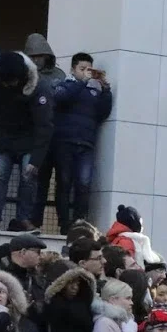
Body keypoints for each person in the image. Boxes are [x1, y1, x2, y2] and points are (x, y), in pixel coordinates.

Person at [0, 51, 55, 231]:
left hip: (29, 139)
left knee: (28, 175)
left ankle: (24, 218)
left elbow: (44, 125)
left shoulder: (39, 88)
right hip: (4, 136)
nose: (9, 85)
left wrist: (36, 159)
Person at [51, 53, 112, 231]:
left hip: (86, 143)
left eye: (89, 69)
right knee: (64, 181)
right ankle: (63, 223)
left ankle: (80, 221)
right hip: (64, 142)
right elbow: (61, 99)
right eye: (82, 69)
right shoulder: (65, 85)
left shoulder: (95, 91)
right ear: (73, 69)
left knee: (84, 183)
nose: (86, 72)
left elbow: (102, 113)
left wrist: (106, 91)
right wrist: (82, 83)